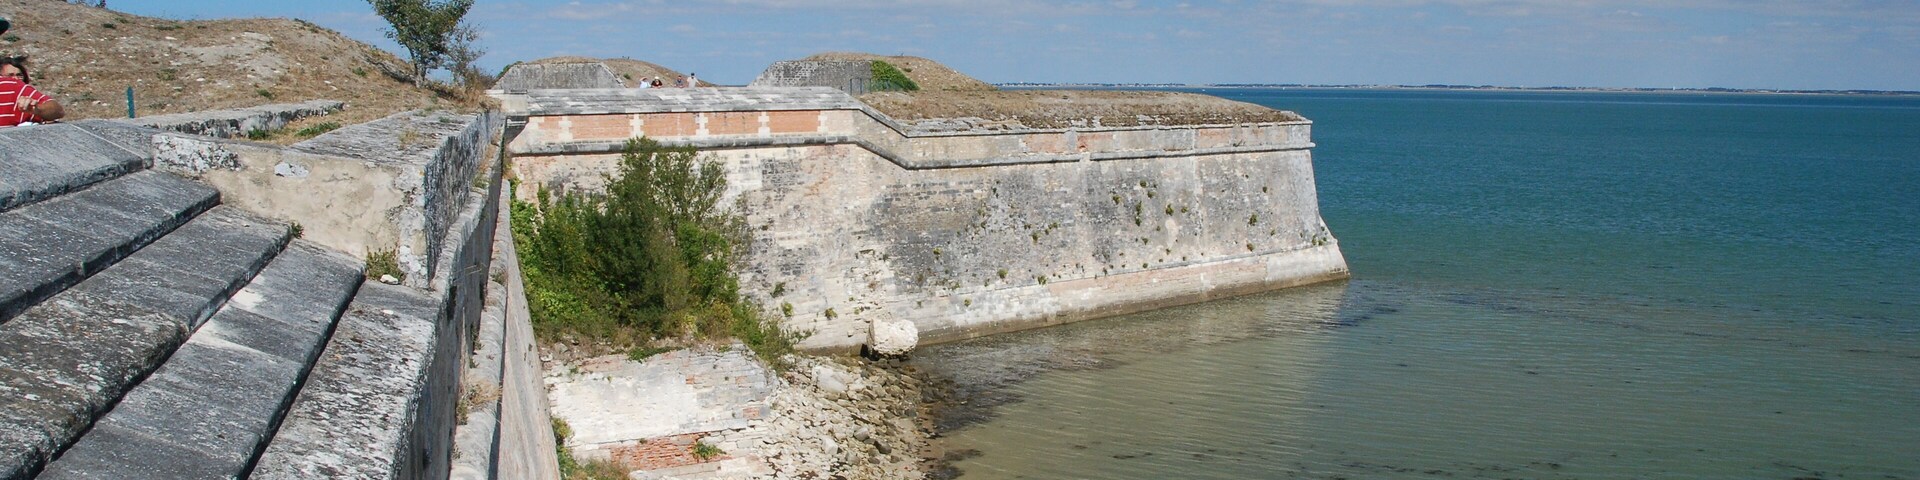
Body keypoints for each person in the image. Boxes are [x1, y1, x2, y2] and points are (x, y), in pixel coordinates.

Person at [0, 56, 63, 127]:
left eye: (19, 75)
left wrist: (37, 109)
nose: (16, 79)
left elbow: (57, 110)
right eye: (10, 75)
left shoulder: (17, 91)